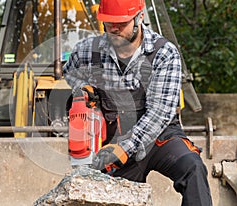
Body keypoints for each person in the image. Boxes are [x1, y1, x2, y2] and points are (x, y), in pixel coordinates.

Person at [63, 0, 212, 205]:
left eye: (121, 23)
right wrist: (83, 88)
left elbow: (159, 113)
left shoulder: (164, 53)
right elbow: (69, 72)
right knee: (105, 194)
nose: (113, 29)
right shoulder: (87, 50)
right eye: (108, 22)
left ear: (139, 17)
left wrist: (126, 148)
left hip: (160, 138)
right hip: (116, 137)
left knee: (192, 167)